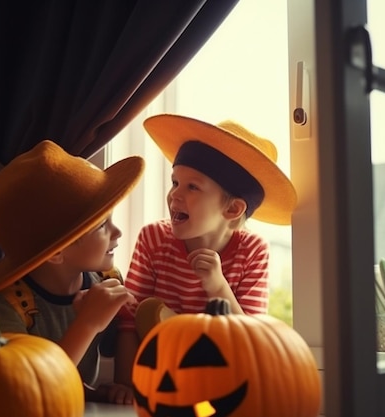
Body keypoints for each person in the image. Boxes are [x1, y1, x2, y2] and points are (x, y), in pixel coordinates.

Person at [115, 113, 297, 386]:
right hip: (158, 380)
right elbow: (128, 321)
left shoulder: (253, 251)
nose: (174, 195)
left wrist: (218, 286)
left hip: (221, 382)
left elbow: (251, 340)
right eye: (175, 182)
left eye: (192, 187)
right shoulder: (153, 238)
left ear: (232, 208)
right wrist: (125, 386)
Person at [0, 139, 144, 405]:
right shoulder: (6, 306)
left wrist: (97, 392)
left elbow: (82, 371)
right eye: (101, 226)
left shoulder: (105, 280)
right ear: (56, 253)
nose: (117, 232)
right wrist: (87, 323)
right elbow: (27, 391)